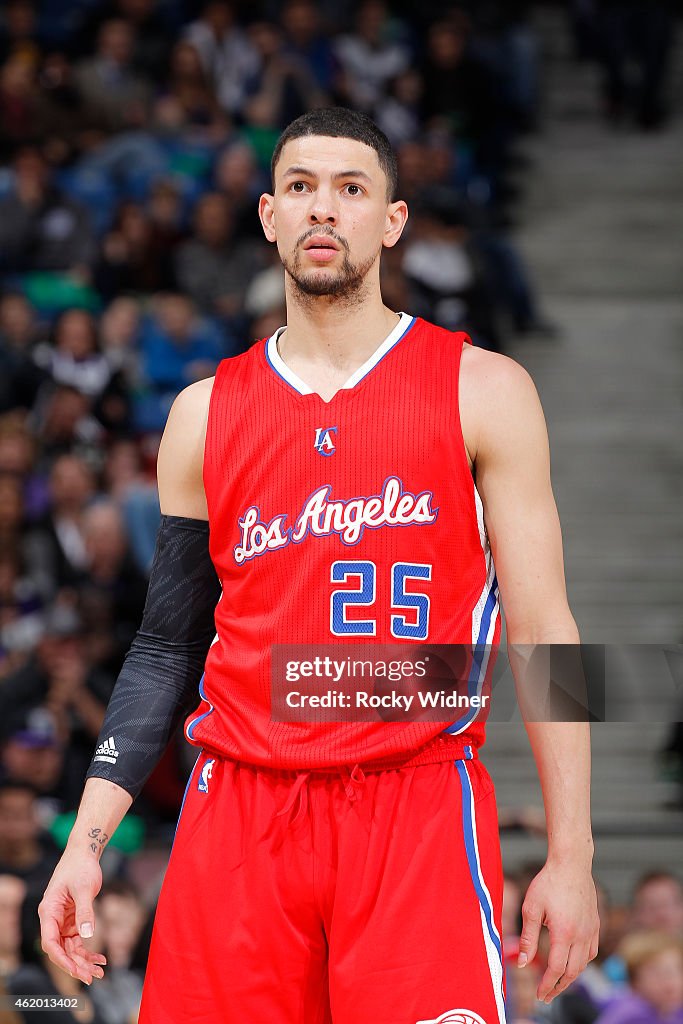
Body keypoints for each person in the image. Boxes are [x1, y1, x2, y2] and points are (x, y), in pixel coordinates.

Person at [39, 108, 599, 1023]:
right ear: (267, 215)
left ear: (391, 220)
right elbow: (164, 648)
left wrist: (570, 852)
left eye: (351, 188)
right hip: (239, 814)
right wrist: (87, 839)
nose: (322, 209)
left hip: (414, 802)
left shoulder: (483, 389)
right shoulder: (203, 414)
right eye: (300, 187)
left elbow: (547, 633)